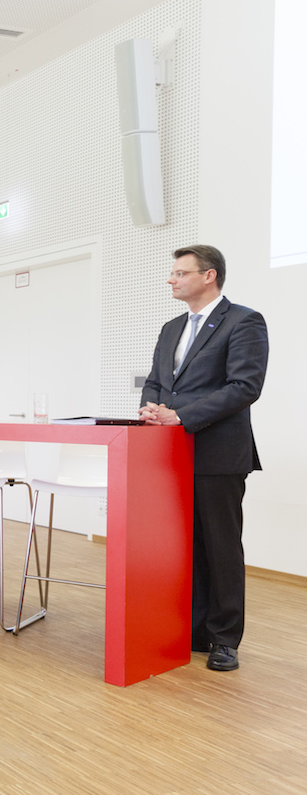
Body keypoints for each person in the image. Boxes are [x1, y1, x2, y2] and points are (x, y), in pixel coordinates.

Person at [139, 245, 269, 672]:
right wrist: (150, 408)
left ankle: (225, 639)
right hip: (171, 454)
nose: (171, 279)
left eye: (180, 273)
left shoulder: (244, 321)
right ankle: (195, 631)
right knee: (184, 547)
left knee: (220, 547)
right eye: (172, 273)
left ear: (208, 276)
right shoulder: (171, 328)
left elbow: (244, 386)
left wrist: (181, 415)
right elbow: (157, 382)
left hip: (219, 453)